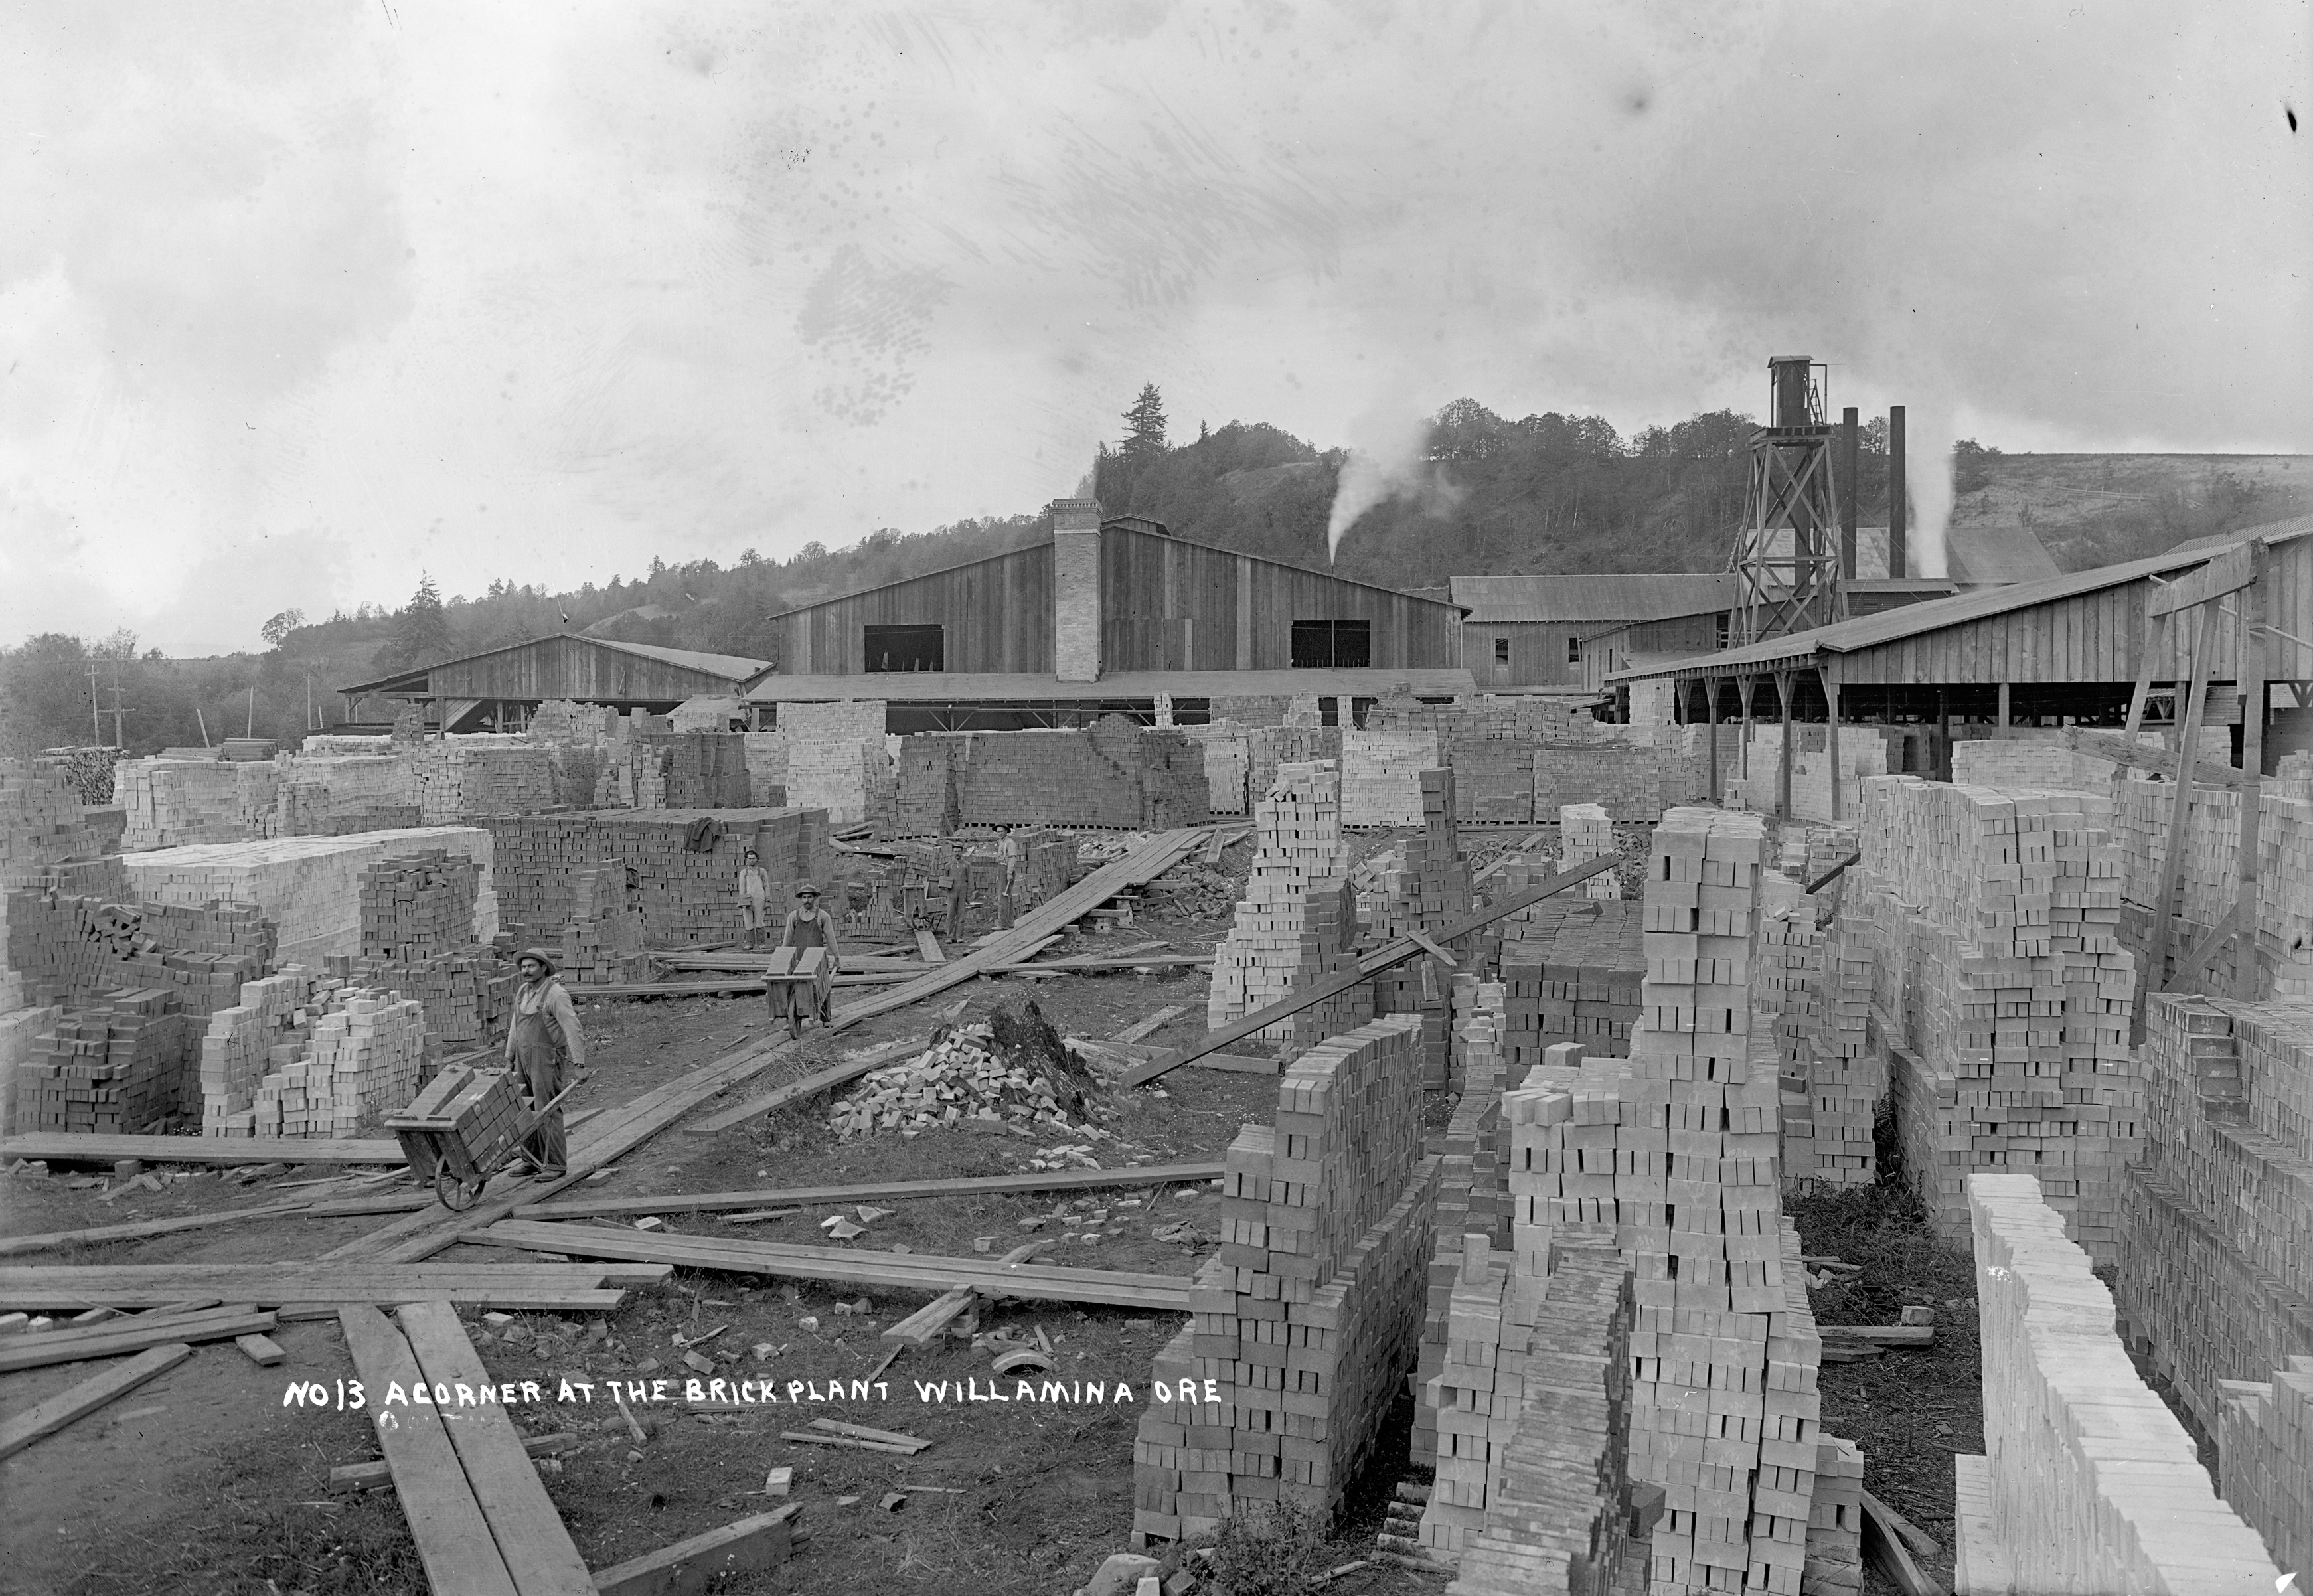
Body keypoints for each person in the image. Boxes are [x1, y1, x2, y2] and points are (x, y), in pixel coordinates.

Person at [505, 947, 585, 1179]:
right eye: (523, 966)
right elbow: (514, 1026)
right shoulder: (523, 992)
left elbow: (572, 1028)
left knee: (547, 1108)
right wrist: (509, 1058)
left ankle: (556, 1165)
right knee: (525, 1109)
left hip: (546, 1059)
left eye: (531, 966)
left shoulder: (555, 994)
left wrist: (579, 1063)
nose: (526, 970)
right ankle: (530, 1160)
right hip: (523, 1057)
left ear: (543, 968)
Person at [776, 882, 842, 1025]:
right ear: (801, 899)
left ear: (815, 898)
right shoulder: (793, 917)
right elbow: (787, 940)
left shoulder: (823, 916)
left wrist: (837, 958)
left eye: (810, 897)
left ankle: (825, 1019)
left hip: (818, 959)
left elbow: (831, 938)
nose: (807, 900)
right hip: (799, 959)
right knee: (793, 987)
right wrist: (782, 961)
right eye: (804, 897)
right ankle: (791, 1019)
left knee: (823, 987)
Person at [736, 848, 771, 949]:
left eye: (753, 858)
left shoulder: (762, 871)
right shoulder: (744, 873)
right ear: (746, 860)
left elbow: (766, 886)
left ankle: (761, 943)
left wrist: (768, 900)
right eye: (749, 859)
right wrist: (742, 901)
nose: (752, 860)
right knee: (748, 921)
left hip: (760, 899)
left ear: (757, 859)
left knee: (760, 921)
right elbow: (742, 888)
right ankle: (750, 944)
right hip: (747, 900)